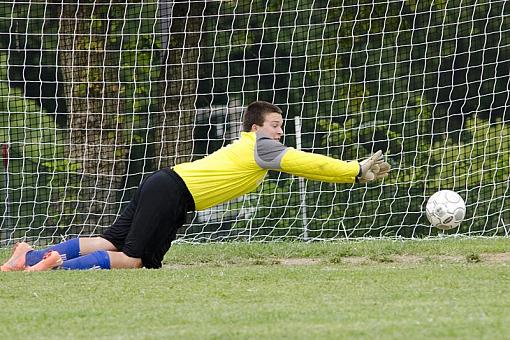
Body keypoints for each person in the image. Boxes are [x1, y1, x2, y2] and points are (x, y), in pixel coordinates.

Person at [1, 101, 391, 272]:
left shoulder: (253, 147)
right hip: (172, 192)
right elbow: (307, 163)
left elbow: (304, 166)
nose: (280, 131)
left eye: (281, 125)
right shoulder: (262, 147)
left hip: (163, 183)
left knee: (110, 242)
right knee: (135, 259)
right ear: (255, 128)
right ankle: (55, 267)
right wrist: (353, 169)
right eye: (275, 125)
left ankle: (30, 256)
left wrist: (351, 172)